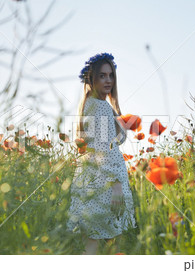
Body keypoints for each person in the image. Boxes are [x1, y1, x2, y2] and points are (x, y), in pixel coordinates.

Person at [66, 52, 137, 255]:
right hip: (107, 184)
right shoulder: (102, 108)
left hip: (90, 181)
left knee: (91, 247)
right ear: (92, 79)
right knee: (116, 248)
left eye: (111, 75)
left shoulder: (88, 104)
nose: (108, 80)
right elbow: (104, 150)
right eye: (102, 76)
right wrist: (115, 184)